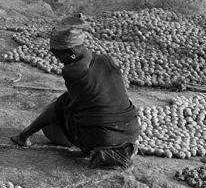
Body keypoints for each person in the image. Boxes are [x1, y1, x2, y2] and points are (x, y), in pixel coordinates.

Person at [11, 27, 141, 168]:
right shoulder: (108, 59)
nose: (58, 59)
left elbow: (67, 104)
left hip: (104, 136)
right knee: (71, 103)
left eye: (57, 55)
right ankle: (118, 148)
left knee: (57, 111)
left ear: (71, 53)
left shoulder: (72, 71)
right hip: (132, 131)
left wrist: (28, 132)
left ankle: (23, 136)